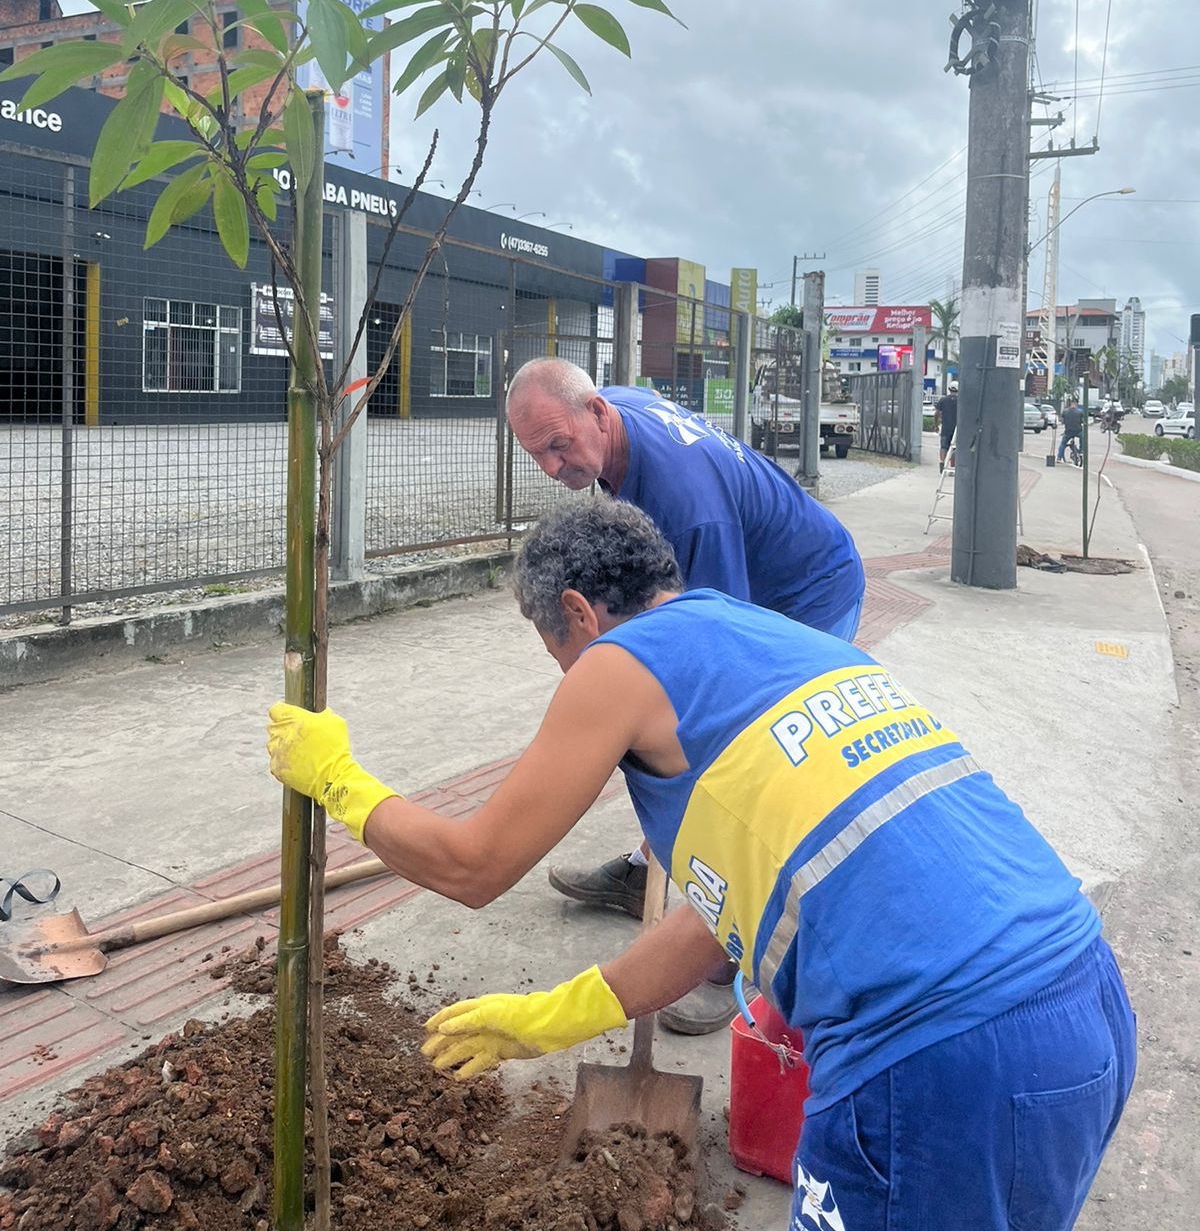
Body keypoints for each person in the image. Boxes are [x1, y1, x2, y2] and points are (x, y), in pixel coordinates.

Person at [267, 500, 1135, 1231]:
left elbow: (475, 866)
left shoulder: (617, 662)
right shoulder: (768, 638)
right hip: (1082, 1006)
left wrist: (340, 782)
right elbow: (725, 916)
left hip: (939, 1058)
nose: (566, 673)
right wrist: (553, 1017)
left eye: (554, 650)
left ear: (577, 613)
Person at [505, 357, 866, 1014]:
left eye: (560, 446)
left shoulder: (689, 510)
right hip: (761, 568)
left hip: (809, 591)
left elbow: (715, 664)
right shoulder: (610, 408)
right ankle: (645, 875)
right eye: (538, 454)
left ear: (596, 414)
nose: (554, 469)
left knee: (740, 763)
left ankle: (729, 956)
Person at [933, 382, 958, 473]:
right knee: (954, 447)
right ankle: (952, 467)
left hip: (945, 427)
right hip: (956, 429)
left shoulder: (943, 400)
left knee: (943, 446)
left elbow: (936, 413)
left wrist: (936, 425)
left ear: (949, 389)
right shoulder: (960, 401)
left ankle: (942, 462)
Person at [1059, 399, 1084, 464]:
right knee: (1083, 438)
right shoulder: (1080, 412)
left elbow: (1062, 421)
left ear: (1070, 403)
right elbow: (1082, 421)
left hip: (1068, 431)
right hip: (1078, 431)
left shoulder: (1065, 411)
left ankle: (1059, 457)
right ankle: (1081, 451)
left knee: (1063, 444)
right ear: (1076, 404)